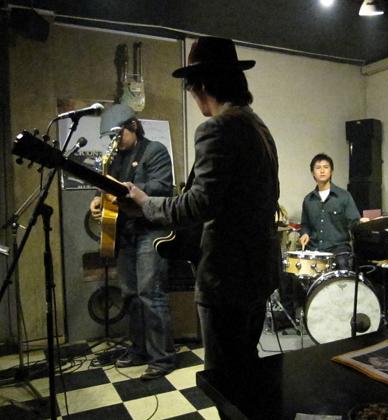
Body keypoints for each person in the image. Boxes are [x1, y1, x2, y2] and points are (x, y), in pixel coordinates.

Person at [123, 37, 280, 377]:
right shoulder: (258, 127)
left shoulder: (217, 127)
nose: (194, 98)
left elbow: (199, 203)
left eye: (192, 89)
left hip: (227, 278)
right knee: (246, 370)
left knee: (223, 378)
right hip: (258, 272)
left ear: (203, 85)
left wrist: (146, 203)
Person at [89, 104, 176, 380]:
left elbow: (163, 187)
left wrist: (130, 190)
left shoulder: (155, 151)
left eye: (119, 135)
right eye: (111, 137)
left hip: (150, 231)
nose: (115, 141)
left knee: (151, 294)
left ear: (134, 126)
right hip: (125, 232)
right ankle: (139, 350)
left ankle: (162, 358)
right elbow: (105, 187)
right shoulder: (115, 158)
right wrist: (97, 199)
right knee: (130, 294)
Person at [299, 153, 368, 270]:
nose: (322, 171)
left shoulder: (344, 196)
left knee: (342, 263)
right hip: (314, 249)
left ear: (331, 171)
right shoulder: (308, 200)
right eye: (318, 168)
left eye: (326, 167)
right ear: (312, 173)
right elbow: (305, 224)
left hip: (338, 249)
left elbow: (353, 222)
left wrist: (361, 222)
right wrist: (304, 233)